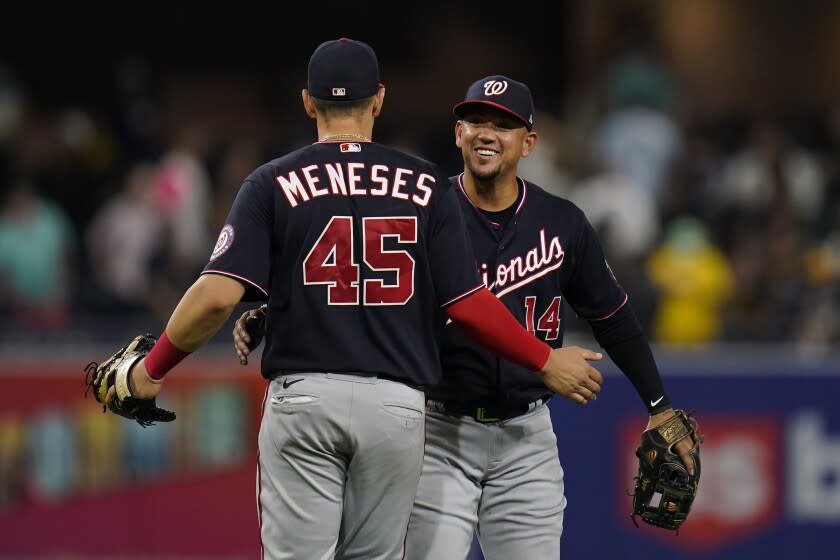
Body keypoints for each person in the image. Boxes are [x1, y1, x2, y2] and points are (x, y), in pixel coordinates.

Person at [108, 42, 603, 560]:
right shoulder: (428, 186)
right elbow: (466, 304)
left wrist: (151, 371)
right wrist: (543, 358)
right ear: (379, 100)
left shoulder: (271, 181)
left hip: (305, 397)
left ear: (307, 102)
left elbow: (215, 299)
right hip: (397, 405)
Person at [235, 74, 699, 559]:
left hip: (527, 437)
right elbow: (358, 279)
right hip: (439, 432)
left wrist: (659, 405)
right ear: (457, 133)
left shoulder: (562, 223)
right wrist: (272, 312)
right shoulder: (422, 204)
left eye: (503, 124)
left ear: (529, 143)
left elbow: (614, 318)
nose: (486, 133)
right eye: (475, 120)